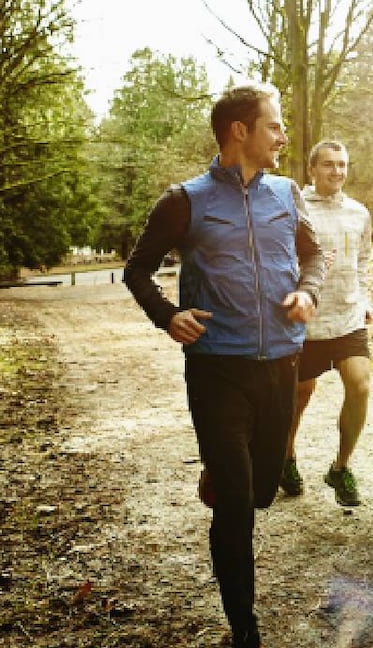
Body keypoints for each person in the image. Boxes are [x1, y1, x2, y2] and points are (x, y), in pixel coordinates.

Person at [124, 83, 326, 648]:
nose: (283, 136)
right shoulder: (184, 201)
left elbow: (313, 257)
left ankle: (223, 467)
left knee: (261, 489)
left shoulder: (287, 194)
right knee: (238, 507)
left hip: (280, 362)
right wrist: (167, 315)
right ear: (240, 131)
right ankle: (244, 625)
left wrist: (308, 292)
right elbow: (137, 269)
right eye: (274, 126)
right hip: (217, 368)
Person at [280, 140, 373, 507]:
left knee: (360, 385)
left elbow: (364, 261)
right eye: (329, 165)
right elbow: (281, 259)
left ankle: (340, 467)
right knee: (299, 397)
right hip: (307, 322)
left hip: (348, 317)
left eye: (342, 164)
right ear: (312, 169)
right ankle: (286, 458)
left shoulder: (358, 212)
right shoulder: (295, 209)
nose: (337, 171)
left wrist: (363, 298)